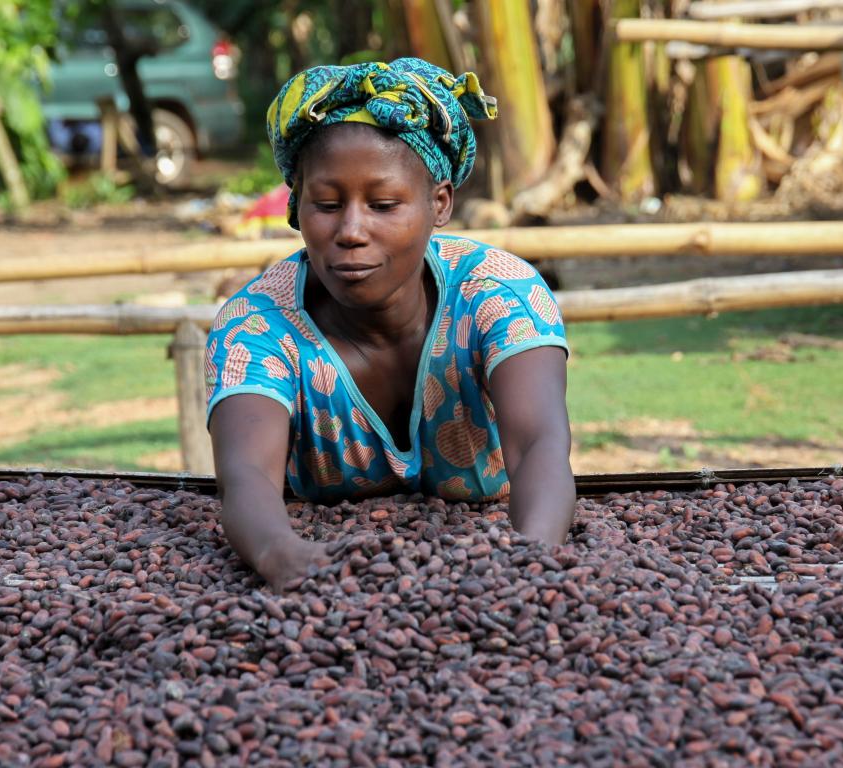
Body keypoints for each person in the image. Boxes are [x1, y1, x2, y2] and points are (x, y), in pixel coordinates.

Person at [206, 58, 575, 591]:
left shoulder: (497, 293)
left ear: (439, 203)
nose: (351, 231)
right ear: (296, 207)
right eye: (327, 205)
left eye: (383, 204)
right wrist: (287, 559)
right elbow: (245, 476)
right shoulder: (257, 327)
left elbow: (539, 443)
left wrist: (528, 563)